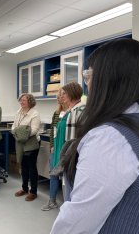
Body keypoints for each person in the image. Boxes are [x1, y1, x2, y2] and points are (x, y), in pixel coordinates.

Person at [51, 38, 139, 233]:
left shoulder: (110, 138)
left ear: (109, 78)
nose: (87, 83)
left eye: (88, 75)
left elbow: (78, 222)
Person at [43, 82, 83, 210]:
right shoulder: (66, 113)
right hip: (61, 151)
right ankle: (57, 203)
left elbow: (74, 140)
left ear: (72, 94)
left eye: (64, 93)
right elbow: (56, 131)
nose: (61, 96)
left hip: (70, 157)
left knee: (70, 187)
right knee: (62, 182)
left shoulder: (77, 111)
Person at [40, 88, 67, 210]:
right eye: (58, 95)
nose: (59, 97)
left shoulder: (72, 112)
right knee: (53, 175)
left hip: (67, 149)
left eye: (61, 95)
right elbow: (53, 132)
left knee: (68, 178)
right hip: (55, 149)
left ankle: (69, 205)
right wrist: (52, 146)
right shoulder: (56, 113)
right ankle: (52, 201)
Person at [12, 93, 41, 201]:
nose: (21, 102)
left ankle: (33, 192)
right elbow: (13, 126)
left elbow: (34, 130)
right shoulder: (18, 112)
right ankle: (24, 188)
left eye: (24, 100)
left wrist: (19, 132)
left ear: (30, 102)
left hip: (31, 143)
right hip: (20, 142)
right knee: (23, 166)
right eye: (21, 100)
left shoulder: (34, 114)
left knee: (31, 167)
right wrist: (19, 131)